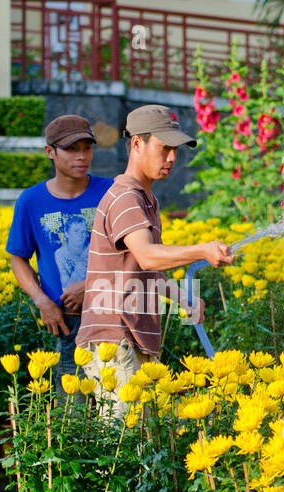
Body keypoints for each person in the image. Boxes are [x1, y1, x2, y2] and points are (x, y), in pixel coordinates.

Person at [77, 104, 233, 417]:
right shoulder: (125, 198)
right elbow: (148, 257)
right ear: (137, 143)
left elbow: (145, 270)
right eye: (164, 148)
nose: (172, 158)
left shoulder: (146, 199)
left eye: (175, 149)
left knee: (142, 443)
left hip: (131, 337)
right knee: (124, 445)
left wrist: (181, 298)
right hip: (114, 339)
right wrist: (202, 249)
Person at [6, 115, 113, 390]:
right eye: (71, 149)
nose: (82, 156)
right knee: (72, 410)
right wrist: (42, 302)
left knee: (116, 409)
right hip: (65, 321)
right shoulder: (30, 200)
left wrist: (91, 285)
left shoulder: (112, 192)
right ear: (50, 152)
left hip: (111, 314)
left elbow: (131, 253)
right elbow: (18, 257)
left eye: (86, 148)